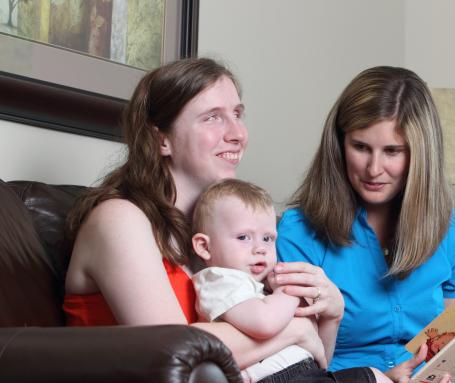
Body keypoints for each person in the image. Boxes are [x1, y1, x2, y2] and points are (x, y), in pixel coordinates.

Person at [61, 57, 340, 374]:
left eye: (237, 114)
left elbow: (307, 363)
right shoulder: (118, 220)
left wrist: (330, 314)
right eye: (213, 118)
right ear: (161, 139)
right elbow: (170, 350)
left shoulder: (224, 236)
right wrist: (291, 329)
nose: (237, 134)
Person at [273, 66, 455, 382]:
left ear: (419, 156)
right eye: (361, 147)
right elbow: (300, 362)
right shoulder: (299, 231)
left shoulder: (448, 227)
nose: (373, 168)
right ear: (339, 144)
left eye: (392, 151)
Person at [190, 178, 388, 383]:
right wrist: (289, 291)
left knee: (375, 376)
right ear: (205, 247)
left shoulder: (260, 289)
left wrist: (323, 315)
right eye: (243, 237)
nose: (260, 248)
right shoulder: (219, 280)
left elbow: (318, 354)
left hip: (305, 373)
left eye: (267, 238)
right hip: (275, 379)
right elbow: (265, 323)